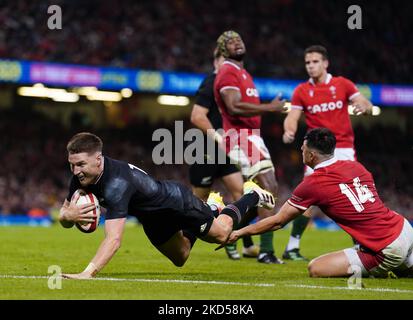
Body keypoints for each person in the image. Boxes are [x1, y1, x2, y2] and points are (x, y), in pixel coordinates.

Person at [59, 132, 275, 279]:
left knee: (222, 235)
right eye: (72, 165)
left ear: (98, 159)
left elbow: (114, 239)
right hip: (153, 220)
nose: (76, 171)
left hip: (176, 203)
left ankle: (252, 195)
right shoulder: (79, 177)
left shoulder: (117, 183)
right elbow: (65, 213)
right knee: (181, 257)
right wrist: (66, 218)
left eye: (80, 164)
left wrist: (88, 272)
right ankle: (210, 208)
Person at [228, 128, 413, 278]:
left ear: (311, 155)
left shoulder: (313, 183)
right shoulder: (356, 166)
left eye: (302, 149)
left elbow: (278, 221)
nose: (301, 152)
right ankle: (402, 264)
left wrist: (239, 232)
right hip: (404, 228)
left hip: (385, 247)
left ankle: (388, 267)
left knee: (316, 268)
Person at [281, 45, 374, 261]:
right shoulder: (302, 90)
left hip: (343, 150)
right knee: (307, 199)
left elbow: (364, 102)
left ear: (325, 63)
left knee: (354, 199)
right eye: (307, 63)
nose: (311, 66)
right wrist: (289, 129)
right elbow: (293, 115)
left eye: (315, 61)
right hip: (317, 152)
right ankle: (292, 247)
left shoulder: (342, 84)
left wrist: (364, 105)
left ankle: (362, 245)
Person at [214, 30, 287, 264]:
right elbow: (234, 107)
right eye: (231, 42)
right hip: (241, 136)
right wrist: (270, 108)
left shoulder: (243, 73)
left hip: (250, 136)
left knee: (257, 197)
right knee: (269, 186)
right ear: (223, 50)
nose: (237, 43)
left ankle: (224, 227)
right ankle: (265, 250)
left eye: (239, 40)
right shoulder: (227, 71)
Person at [189, 47, 259, 260]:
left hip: (227, 149)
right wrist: (218, 138)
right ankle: (182, 242)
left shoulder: (231, 85)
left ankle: (241, 242)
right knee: (195, 205)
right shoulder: (211, 82)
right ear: (217, 61)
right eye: (225, 60)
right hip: (206, 149)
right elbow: (197, 116)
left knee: (242, 194)